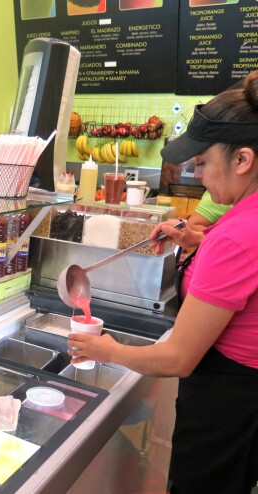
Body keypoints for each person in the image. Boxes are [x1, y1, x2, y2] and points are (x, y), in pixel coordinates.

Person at [69, 70, 258, 493]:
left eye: (204, 163)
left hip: (227, 402)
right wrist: (195, 239)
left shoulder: (235, 238)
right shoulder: (242, 219)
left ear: (243, 159)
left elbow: (177, 359)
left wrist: (106, 349)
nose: (199, 174)